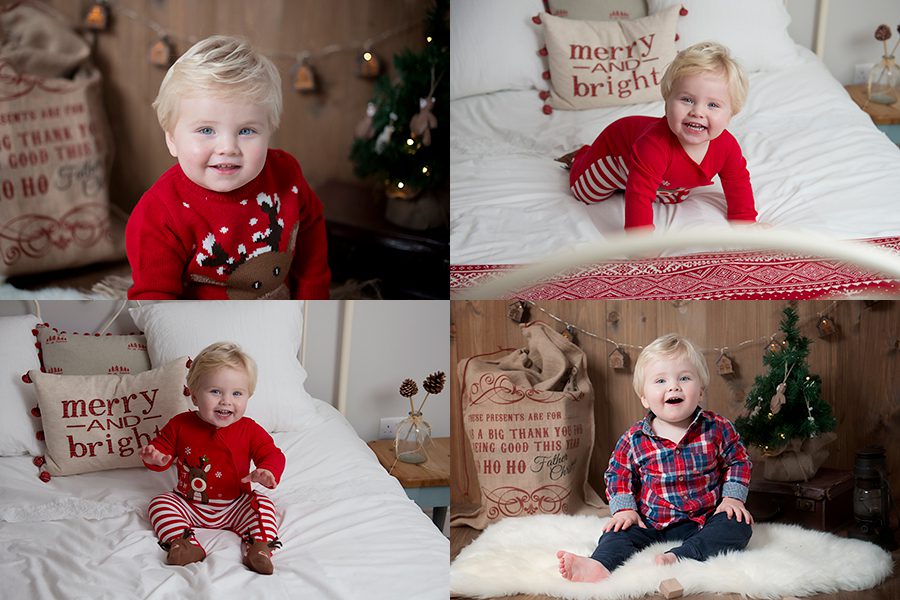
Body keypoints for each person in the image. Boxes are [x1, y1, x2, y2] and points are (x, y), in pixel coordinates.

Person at [126, 35, 331, 299]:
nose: (228, 147)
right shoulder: (158, 213)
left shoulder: (286, 175)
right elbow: (154, 299)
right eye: (206, 130)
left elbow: (311, 237)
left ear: (269, 130)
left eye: (246, 130)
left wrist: (313, 304)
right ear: (172, 139)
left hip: (278, 309)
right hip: (201, 327)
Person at [557, 333, 752, 583]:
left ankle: (683, 555)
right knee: (617, 531)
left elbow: (738, 460)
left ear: (701, 391)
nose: (673, 386)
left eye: (684, 378)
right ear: (645, 399)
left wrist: (732, 499)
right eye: (660, 380)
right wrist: (625, 510)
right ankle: (599, 564)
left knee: (738, 526)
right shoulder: (634, 438)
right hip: (650, 522)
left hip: (704, 519)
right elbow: (618, 473)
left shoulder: (717, 428)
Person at [563, 42, 759, 230]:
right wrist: (641, 242)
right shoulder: (654, 145)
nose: (697, 112)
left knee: (675, 196)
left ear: (731, 114)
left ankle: (643, 178)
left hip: (662, 176)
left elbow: (737, 181)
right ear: (667, 101)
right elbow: (638, 195)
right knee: (586, 193)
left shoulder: (727, 147)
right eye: (687, 99)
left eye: (713, 105)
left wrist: (745, 223)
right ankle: (581, 156)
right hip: (616, 157)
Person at [140, 342, 285, 575]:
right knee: (159, 504)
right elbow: (162, 450)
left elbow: (272, 453)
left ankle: (258, 548)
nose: (226, 401)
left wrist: (267, 470)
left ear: (249, 396)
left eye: (237, 393)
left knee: (264, 505)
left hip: (236, 504)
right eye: (215, 391)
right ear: (195, 396)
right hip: (188, 502)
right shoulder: (180, 424)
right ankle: (185, 544)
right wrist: (156, 458)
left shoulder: (249, 429)